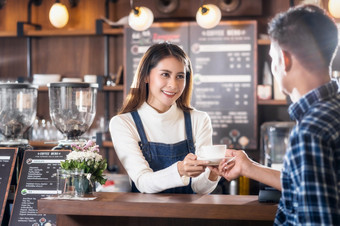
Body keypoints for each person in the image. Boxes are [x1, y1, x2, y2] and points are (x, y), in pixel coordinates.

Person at [213, 4, 340, 225]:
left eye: (272, 59)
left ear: (284, 59)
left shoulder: (310, 131)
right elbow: (312, 184)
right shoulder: (333, 109)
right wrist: (249, 167)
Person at [109, 42, 219, 194]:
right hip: (145, 216)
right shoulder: (123, 123)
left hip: (189, 216)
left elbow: (199, 188)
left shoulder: (199, 120)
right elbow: (143, 182)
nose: (173, 85)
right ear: (146, 76)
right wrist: (180, 170)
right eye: (165, 74)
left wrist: (213, 172)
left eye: (180, 76)